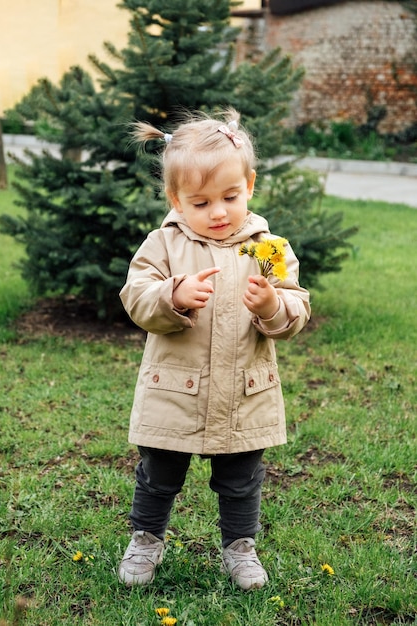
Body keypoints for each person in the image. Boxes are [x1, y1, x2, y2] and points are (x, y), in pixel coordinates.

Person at [118, 109, 311, 590]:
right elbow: (137, 297)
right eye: (201, 203)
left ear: (249, 184)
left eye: (229, 197)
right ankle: (145, 539)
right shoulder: (164, 244)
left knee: (242, 478)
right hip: (175, 392)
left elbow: (295, 309)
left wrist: (271, 305)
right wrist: (173, 295)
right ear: (176, 200)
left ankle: (240, 548)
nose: (218, 212)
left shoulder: (265, 247)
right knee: (158, 474)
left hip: (245, 391)